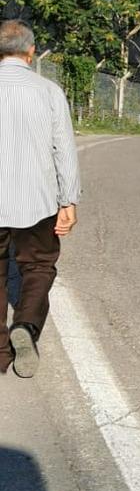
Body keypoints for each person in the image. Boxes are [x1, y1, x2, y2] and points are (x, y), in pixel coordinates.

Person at [0, 21, 80, 378]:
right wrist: (69, 201)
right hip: (38, 200)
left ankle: (1, 354)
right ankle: (26, 326)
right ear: (31, 52)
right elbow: (64, 151)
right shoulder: (48, 91)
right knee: (38, 265)